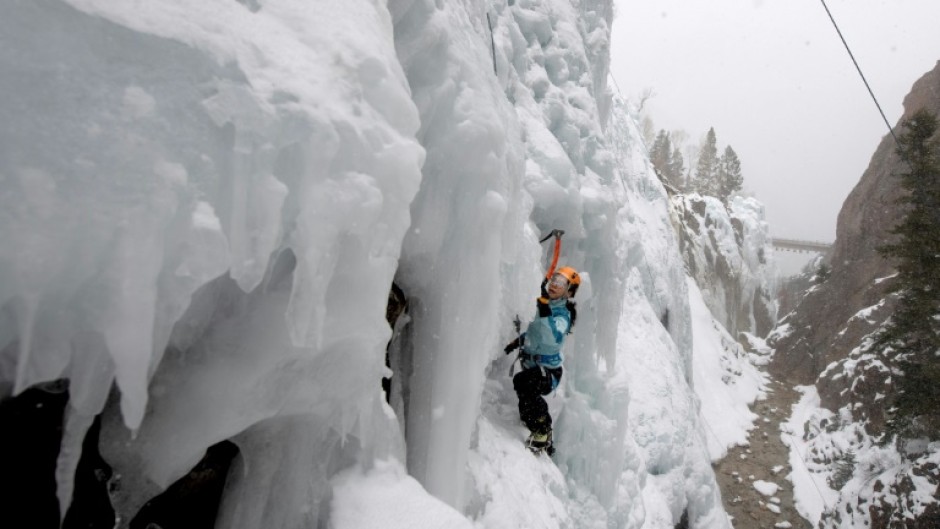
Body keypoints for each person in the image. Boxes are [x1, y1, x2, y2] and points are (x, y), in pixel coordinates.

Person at [504, 266, 580, 454]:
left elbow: (552, 337)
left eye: (561, 283)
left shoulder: (563, 315)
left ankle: (542, 431)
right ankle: (536, 430)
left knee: (524, 383)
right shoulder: (543, 304)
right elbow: (534, 333)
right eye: (554, 279)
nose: (555, 285)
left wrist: (544, 309)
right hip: (533, 365)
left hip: (549, 371)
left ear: (569, 292)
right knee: (524, 393)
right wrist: (517, 342)